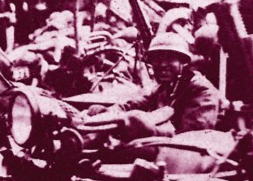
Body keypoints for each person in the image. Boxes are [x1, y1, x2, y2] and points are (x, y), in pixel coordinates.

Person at [89, 32, 222, 140]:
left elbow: (190, 136)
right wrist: (105, 113)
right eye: (157, 59)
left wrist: (149, 130)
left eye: (170, 58)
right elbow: (131, 104)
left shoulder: (201, 90)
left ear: (182, 62)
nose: (163, 65)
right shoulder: (161, 88)